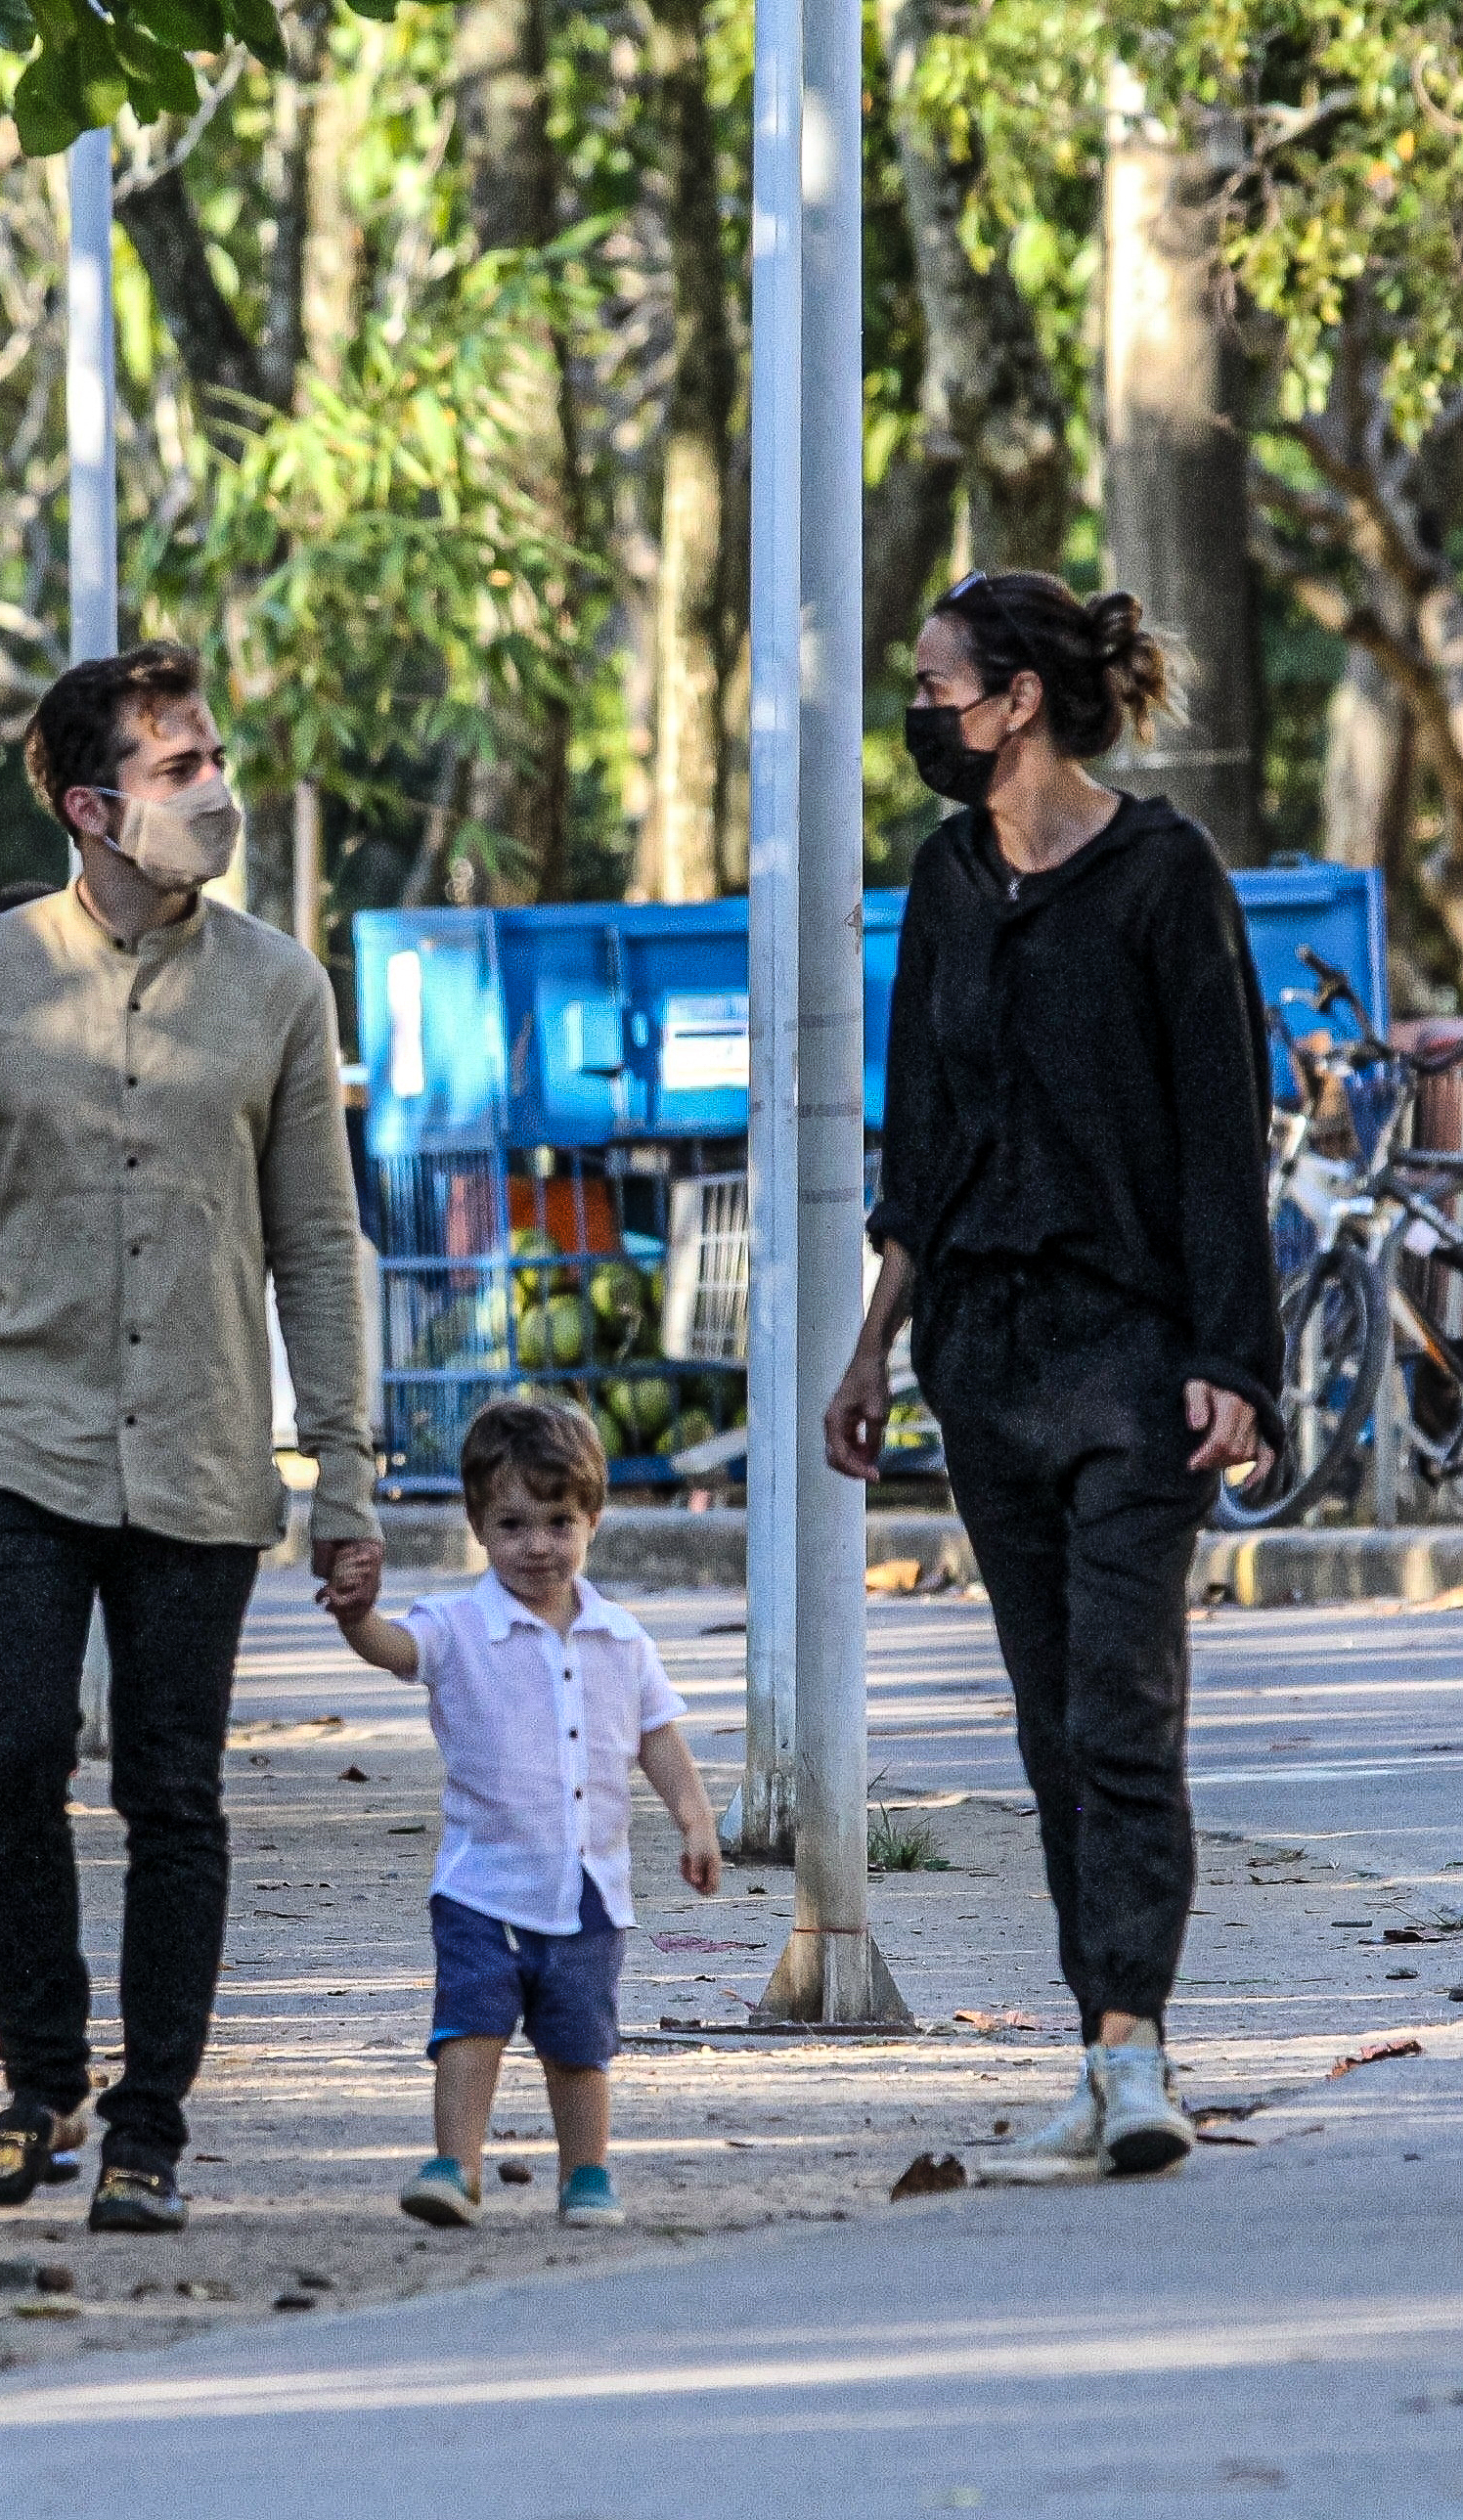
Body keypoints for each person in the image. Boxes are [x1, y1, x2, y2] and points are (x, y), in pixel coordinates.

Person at [824, 569, 1283, 2184]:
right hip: (986, 1363)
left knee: (1120, 1709)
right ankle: (1095, 2049)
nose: (921, 710)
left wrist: (1237, 1359)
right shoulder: (946, 884)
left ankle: (1131, 2052)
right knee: (1041, 1725)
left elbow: (1226, 1131)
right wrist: (872, 1343)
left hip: (1133, 1354)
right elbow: (922, 1148)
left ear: (1016, 697)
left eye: (938, 683)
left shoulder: (1165, 876)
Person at [0, 640, 380, 2234]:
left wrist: (342, 1473)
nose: (215, 787)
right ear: (91, 805)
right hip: (11, 1439)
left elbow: (319, 1243)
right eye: (179, 767)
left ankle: (149, 2124)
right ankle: (37, 2085)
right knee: (14, 1762)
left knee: (172, 1790)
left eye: (210, 756)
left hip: (196, 1447)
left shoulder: (276, 986)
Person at [321, 1399, 720, 2232]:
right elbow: (399, 1649)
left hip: (588, 1888)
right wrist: (359, 1615)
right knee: (469, 2026)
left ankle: (587, 2174)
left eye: (558, 1521)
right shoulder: (460, 1625)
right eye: (512, 1523)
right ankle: (454, 2166)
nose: (537, 1545)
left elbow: (658, 1736)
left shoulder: (621, 1636)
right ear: (476, 1524)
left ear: (593, 1521)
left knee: (581, 2046)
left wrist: (694, 1818)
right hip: (482, 1884)